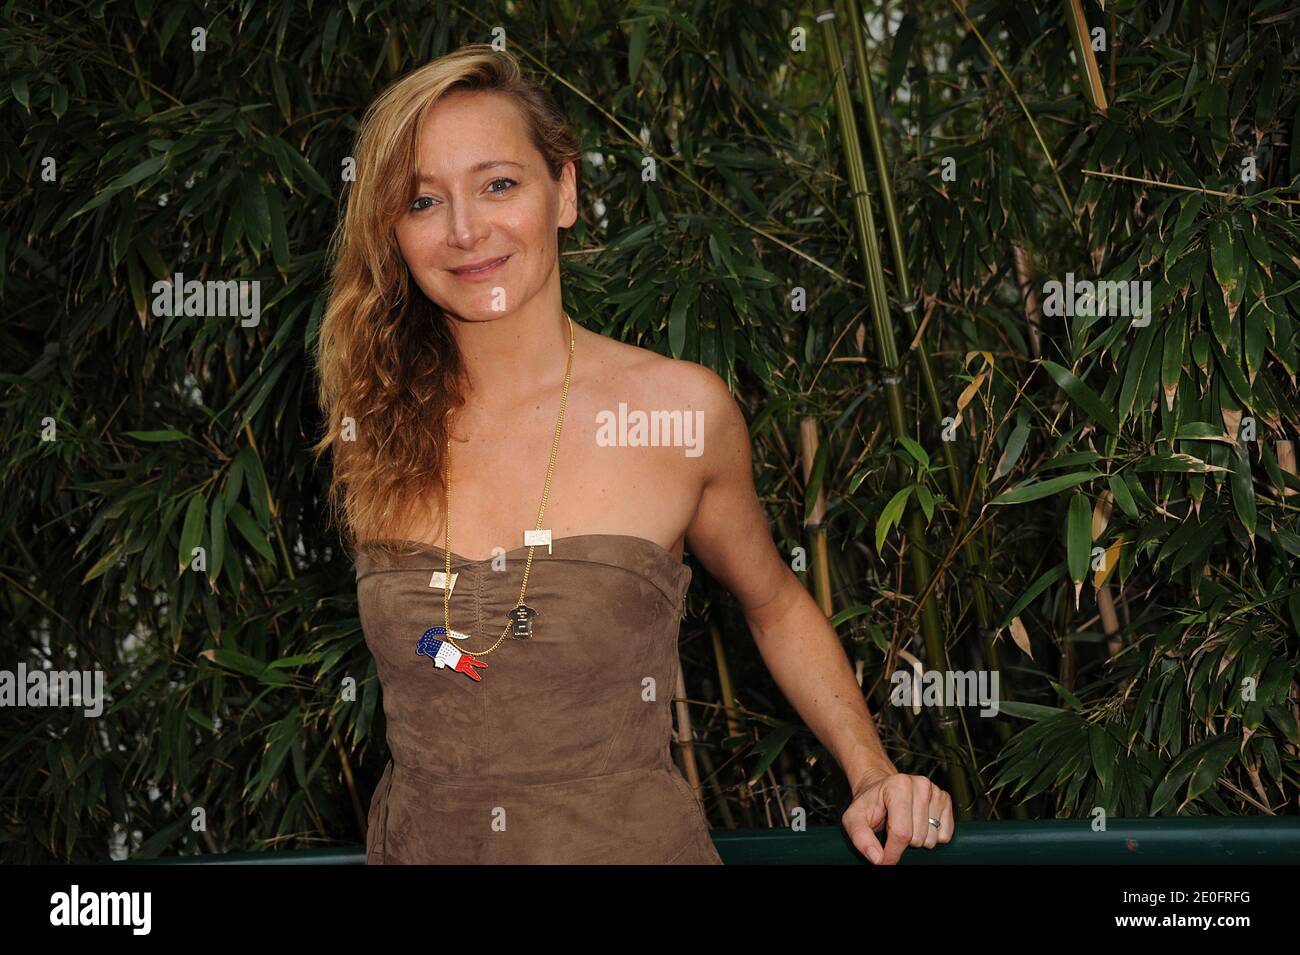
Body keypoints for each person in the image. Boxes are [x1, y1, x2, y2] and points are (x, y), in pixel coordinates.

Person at [312, 43, 954, 864]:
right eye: (423, 200)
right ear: (393, 231)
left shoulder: (677, 412)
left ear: (565, 191)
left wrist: (872, 770)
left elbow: (776, 602)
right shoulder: (375, 423)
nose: (466, 230)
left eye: (499, 184)